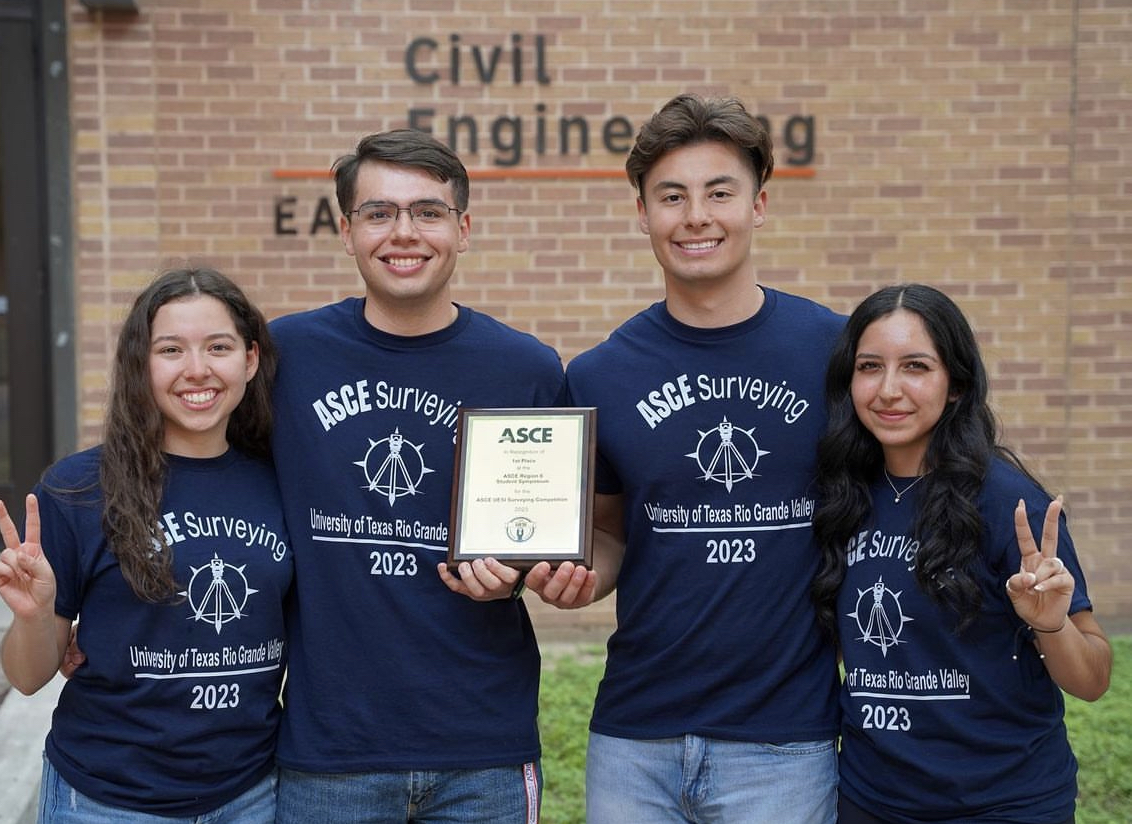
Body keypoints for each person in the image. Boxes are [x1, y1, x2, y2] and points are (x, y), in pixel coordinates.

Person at [526, 93, 843, 823]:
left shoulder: (833, 351)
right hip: (636, 737)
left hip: (786, 739)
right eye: (672, 196)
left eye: (718, 192)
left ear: (759, 205)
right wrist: (575, 575)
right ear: (643, 213)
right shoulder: (602, 373)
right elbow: (608, 534)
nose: (696, 216)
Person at [268, 129, 564, 823]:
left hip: (481, 749)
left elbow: (545, 533)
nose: (404, 233)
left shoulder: (524, 369)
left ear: (463, 229)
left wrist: (524, 572)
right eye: (379, 213)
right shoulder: (286, 358)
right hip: (327, 751)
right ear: (346, 231)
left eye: (427, 212)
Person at [0, 267, 292, 822]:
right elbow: (27, 677)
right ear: (141, 365)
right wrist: (34, 617)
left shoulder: (283, 482)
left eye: (218, 347)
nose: (196, 370)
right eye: (170, 349)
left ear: (249, 360)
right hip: (108, 800)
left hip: (251, 794)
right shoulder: (78, 490)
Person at [811, 283, 1112, 824]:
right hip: (871, 800)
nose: (888, 390)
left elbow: (1093, 679)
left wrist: (1051, 624)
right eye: (870, 366)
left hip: (1003, 802)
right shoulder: (842, 495)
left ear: (955, 385)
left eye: (917, 367)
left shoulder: (1005, 501)